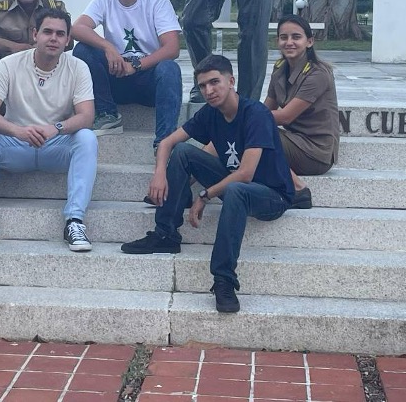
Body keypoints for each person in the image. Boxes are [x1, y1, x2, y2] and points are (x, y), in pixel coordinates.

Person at [121, 54, 293, 314]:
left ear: (231, 81)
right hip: (235, 188)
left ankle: (224, 280)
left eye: (214, 82)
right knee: (182, 152)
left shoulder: (256, 114)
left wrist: (204, 195)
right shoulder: (210, 114)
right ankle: (166, 234)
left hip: (271, 195)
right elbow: (167, 142)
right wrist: (159, 173)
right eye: (202, 85)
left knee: (236, 189)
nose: (209, 91)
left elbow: (246, 174)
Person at [0, 7, 97, 252]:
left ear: (68, 40)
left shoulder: (78, 67)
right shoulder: (8, 64)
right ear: (35, 34)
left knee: (86, 138)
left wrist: (55, 128)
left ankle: (74, 221)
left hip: (55, 145)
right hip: (16, 144)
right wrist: (17, 131)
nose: (53, 38)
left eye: (60, 34)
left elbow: (87, 116)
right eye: (47, 32)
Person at [71, 0, 182, 148]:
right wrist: (108, 47)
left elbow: (172, 48)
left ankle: (165, 143)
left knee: (169, 68)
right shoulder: (103, 1)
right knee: (83, 50)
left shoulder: (157, 1)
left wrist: (136, 65)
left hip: (148, 78)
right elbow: (77, 28)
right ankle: (107, 114)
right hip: (117, 75)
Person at [264, 15, 340, 209]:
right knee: (240, 128)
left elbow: (284, 116)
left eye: (296, 37)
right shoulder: (279, 68)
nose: (289, 42)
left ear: (309, 41)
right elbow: (266, 109)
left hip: (315, 152)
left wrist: (241, 115)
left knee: (255, 131)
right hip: (294, 141)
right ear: (277, 41)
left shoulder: (318, 73)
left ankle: (298, 189)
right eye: (284, 37)